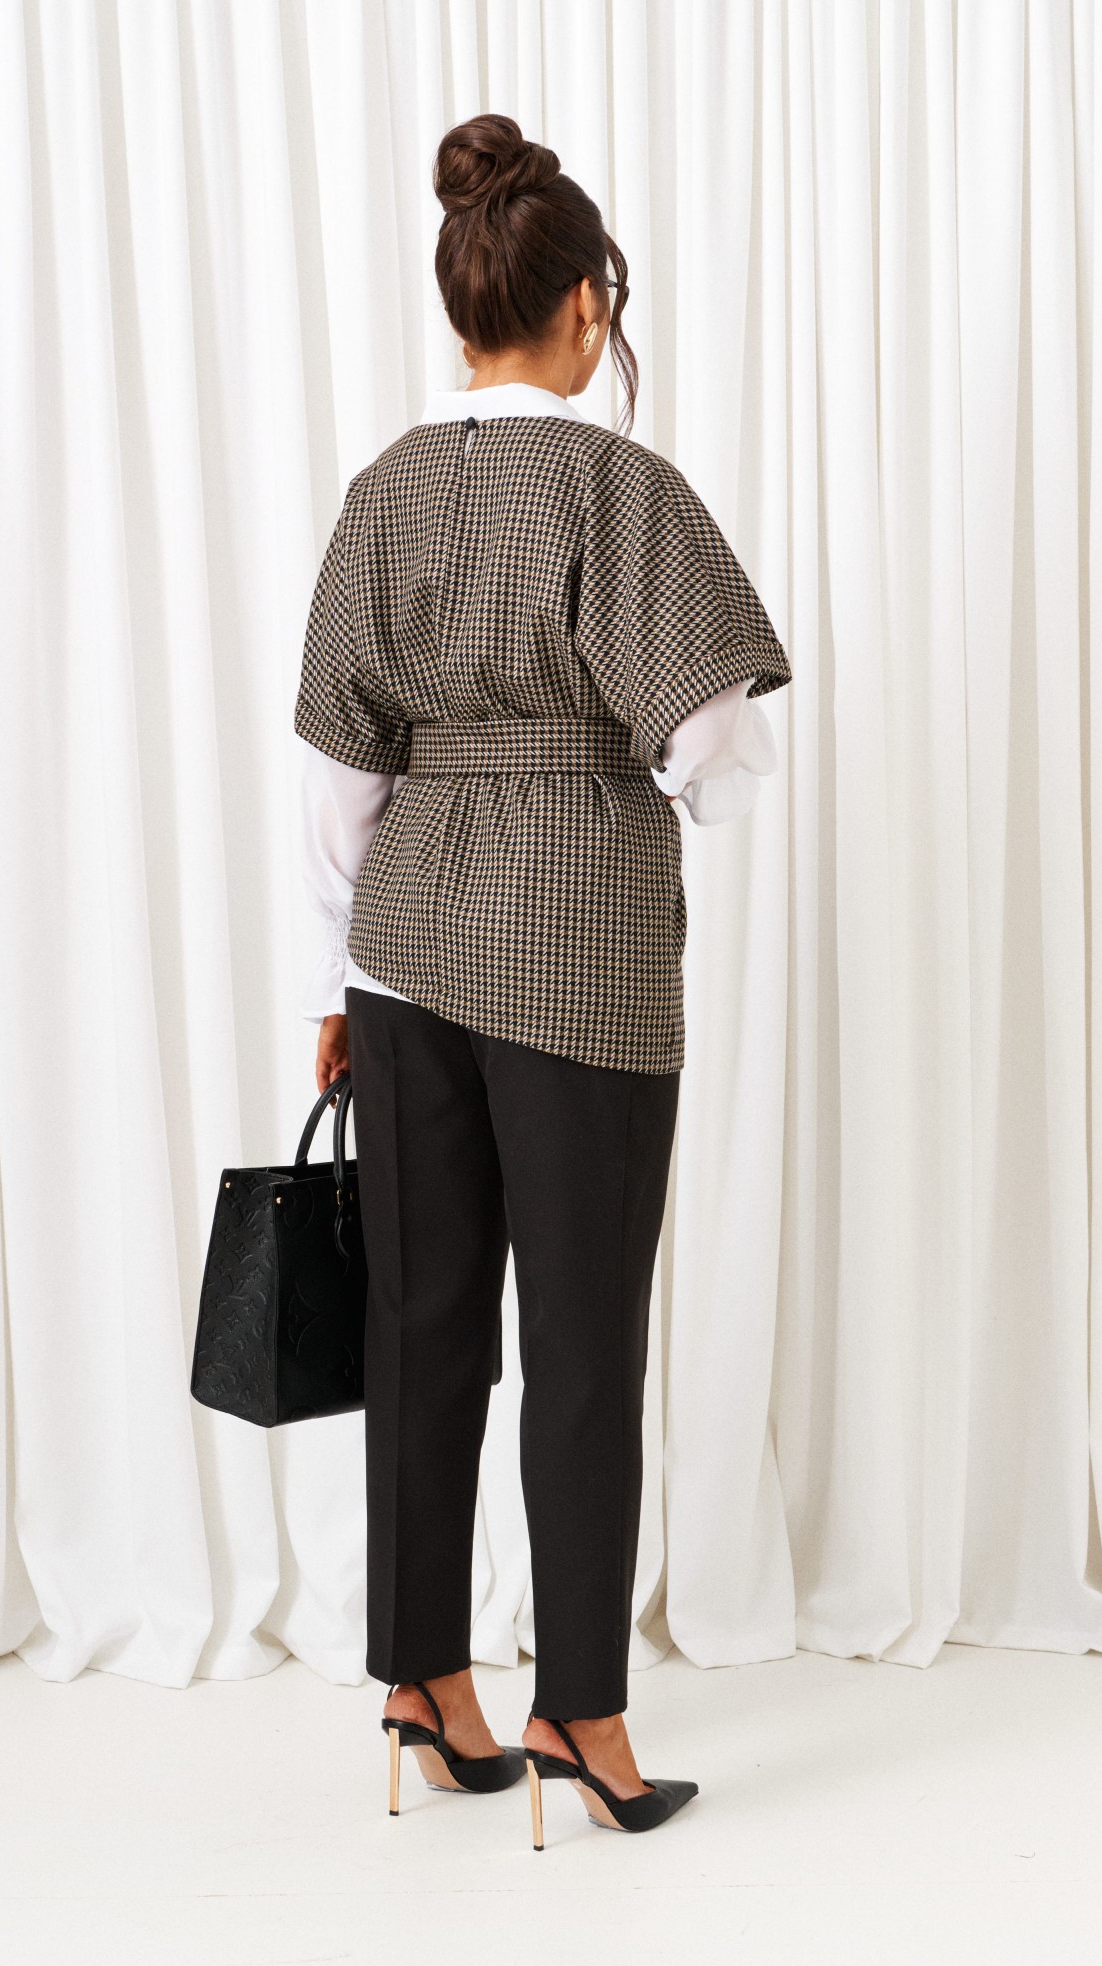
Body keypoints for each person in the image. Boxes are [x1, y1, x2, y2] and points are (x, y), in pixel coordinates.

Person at [294, 113, 791, 1847]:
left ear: (462, 311)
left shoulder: (380, 492)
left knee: (418, 1324)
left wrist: (343, 975)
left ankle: (423, 1682)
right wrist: (650, 773)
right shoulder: (618, 488)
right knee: (578, 1340)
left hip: (402, 951)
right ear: (587, 304)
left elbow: (338, 775)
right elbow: (712, 748)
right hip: (582, 954)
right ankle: (578, 1707)